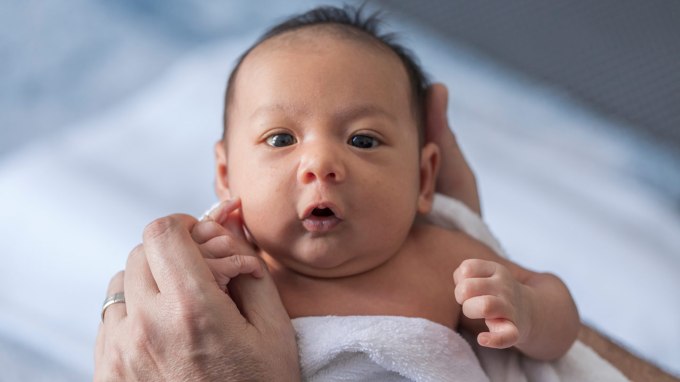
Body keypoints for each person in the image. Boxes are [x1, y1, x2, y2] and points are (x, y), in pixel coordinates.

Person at [95, 5, 580, 381]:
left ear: (424, 179)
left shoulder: (445, 259)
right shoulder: (224, 271)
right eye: (281, 139)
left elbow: (553, 306)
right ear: (226, 174)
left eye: (363, 140)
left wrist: (526, 310)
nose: (321, 164)